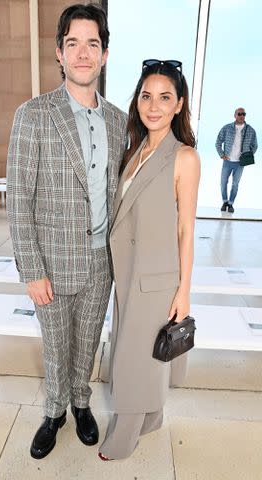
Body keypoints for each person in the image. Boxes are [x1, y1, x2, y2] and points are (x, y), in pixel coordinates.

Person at [6, 3, 127, 460]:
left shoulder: (118, 121)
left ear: (104, 54)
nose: (82, 53)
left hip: (102, 261)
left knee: (89, 338)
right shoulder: (33, 115)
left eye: (91, 44)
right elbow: (18, 199)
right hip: (51, 263)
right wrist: (31, 270)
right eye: (72, 44)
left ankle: (81, 401)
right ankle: (54, 412)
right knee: (56, 344)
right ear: (59, 53)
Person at [98, 59, 200, 461]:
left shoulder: (185, 157)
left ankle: (125, 433)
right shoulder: (136, 149)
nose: (153, 105)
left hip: (156, 280)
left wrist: (185, 292)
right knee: (143, 352)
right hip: (128, 274)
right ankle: (152, 416)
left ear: (178, 105)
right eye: (146, 96)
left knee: (133, 359)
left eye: (164, 97)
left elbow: (186, 230)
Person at [215, 108, 257, 213]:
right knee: (223, 183)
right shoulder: (227, 128)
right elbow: (218, 142)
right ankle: (224, 202)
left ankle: (231, 203)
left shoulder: (250, 130)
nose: (242, 116)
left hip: (240, 163)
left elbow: (255, 145)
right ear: (235, 115)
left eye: (244, 114)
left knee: (235, 184)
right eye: (239, 114)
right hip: (227, 161)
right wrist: (222, 154)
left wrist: (247, 156)